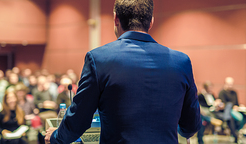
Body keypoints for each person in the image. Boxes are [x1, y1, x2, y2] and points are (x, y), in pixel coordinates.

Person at [45, 0, 201, 143]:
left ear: (115, 19)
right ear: (151, 21)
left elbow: (79, 120)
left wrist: (55, 137)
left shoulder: (98, 59)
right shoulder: (181, 62)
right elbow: (191, 125)